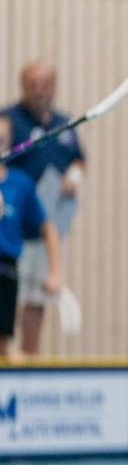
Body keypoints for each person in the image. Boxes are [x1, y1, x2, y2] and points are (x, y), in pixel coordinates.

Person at [3, 61, 84, 356]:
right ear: (23, 85)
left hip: (43, 220)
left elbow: (78, 158)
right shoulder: (9, 119)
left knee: (36, 298)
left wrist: (75, 175)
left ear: (54, 86)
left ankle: (29, 357)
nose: (39, 90)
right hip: (11, 225)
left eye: (45, 84)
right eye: (33, 84)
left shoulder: (64, 123)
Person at [0, 115, 61, 360]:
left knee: (3, 347)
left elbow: (48, 228)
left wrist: (55, 272)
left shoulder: (20, 183)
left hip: (6, 269)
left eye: (1, 139)